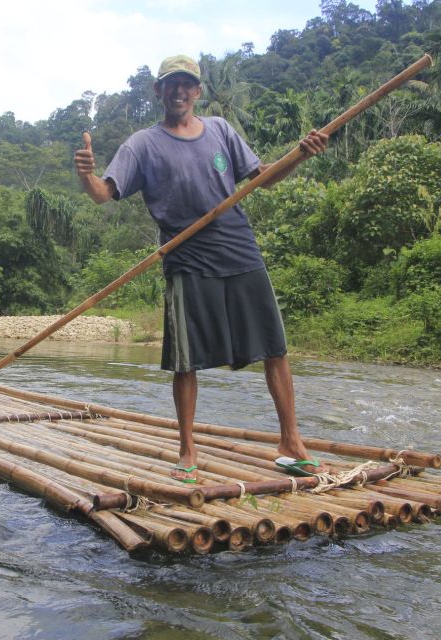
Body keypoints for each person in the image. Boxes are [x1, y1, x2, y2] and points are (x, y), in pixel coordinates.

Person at [74, 54, 330, 483]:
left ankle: (291, 443)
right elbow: (103, 194)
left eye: (187, 84)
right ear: (158, 91)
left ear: (197, 91)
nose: (179, 91)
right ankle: (187, 450)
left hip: (238, 248)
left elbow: (261, 177)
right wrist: (87, 177)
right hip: (186, 257)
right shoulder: (141, 144)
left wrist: (299, 155)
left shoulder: (221, 131)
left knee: (274, 346)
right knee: (185, 359)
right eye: (171, 84)